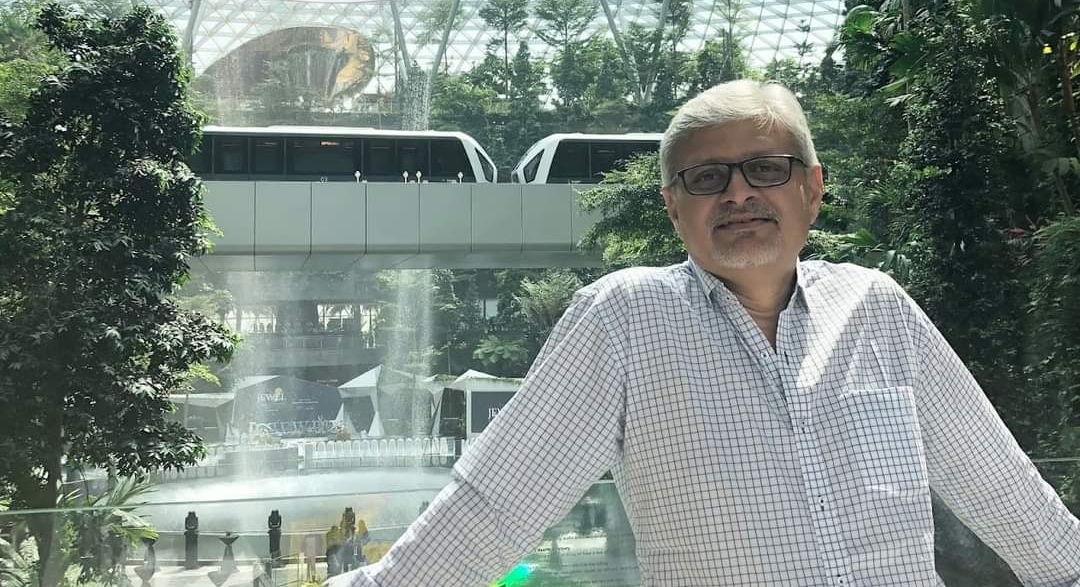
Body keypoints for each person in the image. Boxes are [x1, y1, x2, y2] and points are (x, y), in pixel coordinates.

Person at [329, 80, 1080, 586]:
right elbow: (497, 503)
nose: (739, 193)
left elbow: (1002, 488)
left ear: (812, 188)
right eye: (707, 178)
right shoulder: (624, 320)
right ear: (673, 207)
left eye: (765, 169)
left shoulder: (877, 309)